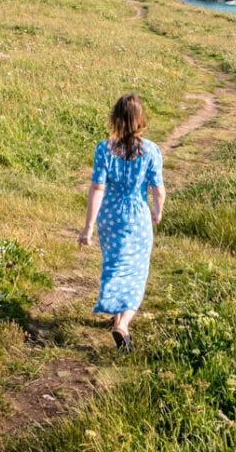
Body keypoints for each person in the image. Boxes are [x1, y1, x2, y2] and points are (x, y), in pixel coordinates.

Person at [78, 92, 166, 352]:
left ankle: (116, 315)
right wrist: (157, 211)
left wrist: (88, 227)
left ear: (115, 118)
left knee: (116, 264)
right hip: (137, 215)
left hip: (110, 216)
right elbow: (158, 189)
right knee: (136, 270)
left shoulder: (104, 148)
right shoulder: (151, 150)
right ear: (141, 120)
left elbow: (97, 188)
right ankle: (123, 323)